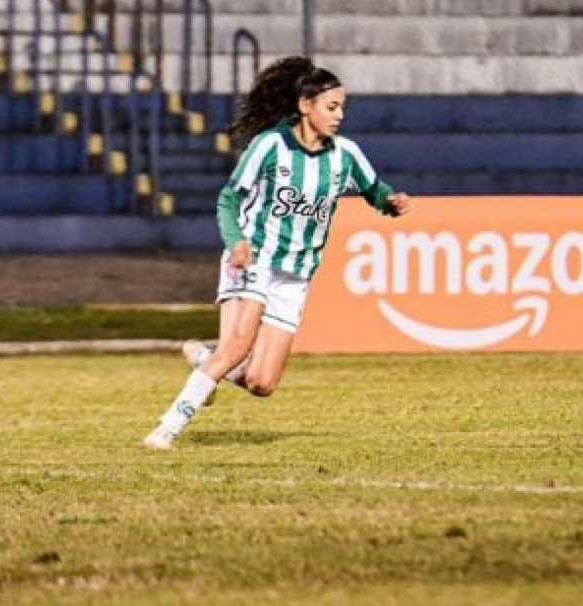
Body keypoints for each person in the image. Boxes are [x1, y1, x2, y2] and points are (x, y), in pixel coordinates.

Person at [142, 56, 411, 450]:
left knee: (261, 383)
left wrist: (391, 201)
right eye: (331, 107)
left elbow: (375, 190)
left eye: (342, 108)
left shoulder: (345, 155)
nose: (339, 116)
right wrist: (236, 241)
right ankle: (166, 429)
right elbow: (229, 198)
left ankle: (205, 361)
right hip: (254, 260)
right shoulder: (269, 146)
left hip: (296, 273)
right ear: (305, 106)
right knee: (236, 347)